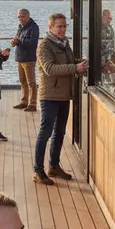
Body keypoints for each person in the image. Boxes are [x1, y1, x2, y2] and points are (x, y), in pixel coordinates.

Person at [33, 13, 87, 186]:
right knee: (45, 133)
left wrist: (83, 63)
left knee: (60, 132)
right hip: (49, 96)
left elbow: (70, 61)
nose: (63, 29)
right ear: (50, 27)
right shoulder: (44, 46)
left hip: (64, 95)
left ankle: (54, 166)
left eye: (65, 26)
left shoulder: (64, 43)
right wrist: (74, 68)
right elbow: (49, 68)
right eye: (59, 26)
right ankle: (38, 170)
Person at [11, 8, 40, 112]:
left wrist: (19, 41)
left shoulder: (34, 27)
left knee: (31, 82)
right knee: (22, 81)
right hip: (20, 57)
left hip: (29, 58)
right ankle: (24, 102)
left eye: (22, 16)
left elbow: (32, 43)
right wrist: (14, 42)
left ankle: (33, 104)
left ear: (28, 16)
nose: (20, 18)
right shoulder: (20, 26)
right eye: (19, 16)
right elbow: (19, 39)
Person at [101, 9, 115, 75]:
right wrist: (104, 63)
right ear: (102, 17)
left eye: (111, 18)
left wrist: (111, 61)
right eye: (108, 18)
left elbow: (112, 48)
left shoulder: (110, 29)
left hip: (108, 62)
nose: (110, 20)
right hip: (100, 64)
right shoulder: (96, 29)